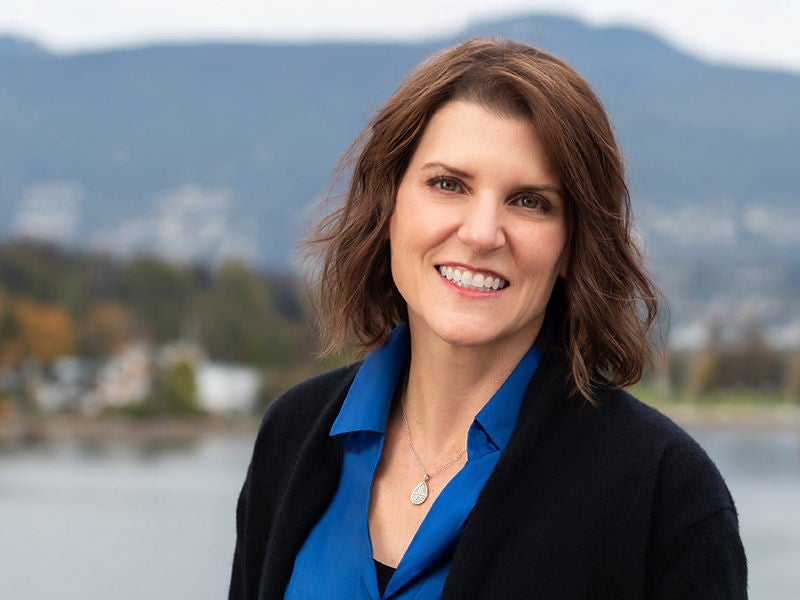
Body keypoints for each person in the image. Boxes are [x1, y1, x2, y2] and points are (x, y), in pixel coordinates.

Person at [228, 38, 747, 599]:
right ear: (390, 204)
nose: (480, 234)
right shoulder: (293, 433)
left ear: (572, 244)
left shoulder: (664, 492)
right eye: (448, 184)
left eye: (529, 201)